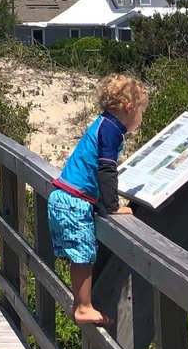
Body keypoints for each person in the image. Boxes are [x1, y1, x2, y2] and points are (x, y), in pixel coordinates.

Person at [47, 73, 149, 325]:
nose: (141, 119)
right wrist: (113, 207)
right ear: (129, 108)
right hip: (74, 200)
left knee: (80, 254)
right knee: (83, 256)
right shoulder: (112, 131)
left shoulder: (104, 123)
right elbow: (106, 168)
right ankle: (83, 307)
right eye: (141, 112)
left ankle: (82, 303)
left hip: (65, 197)